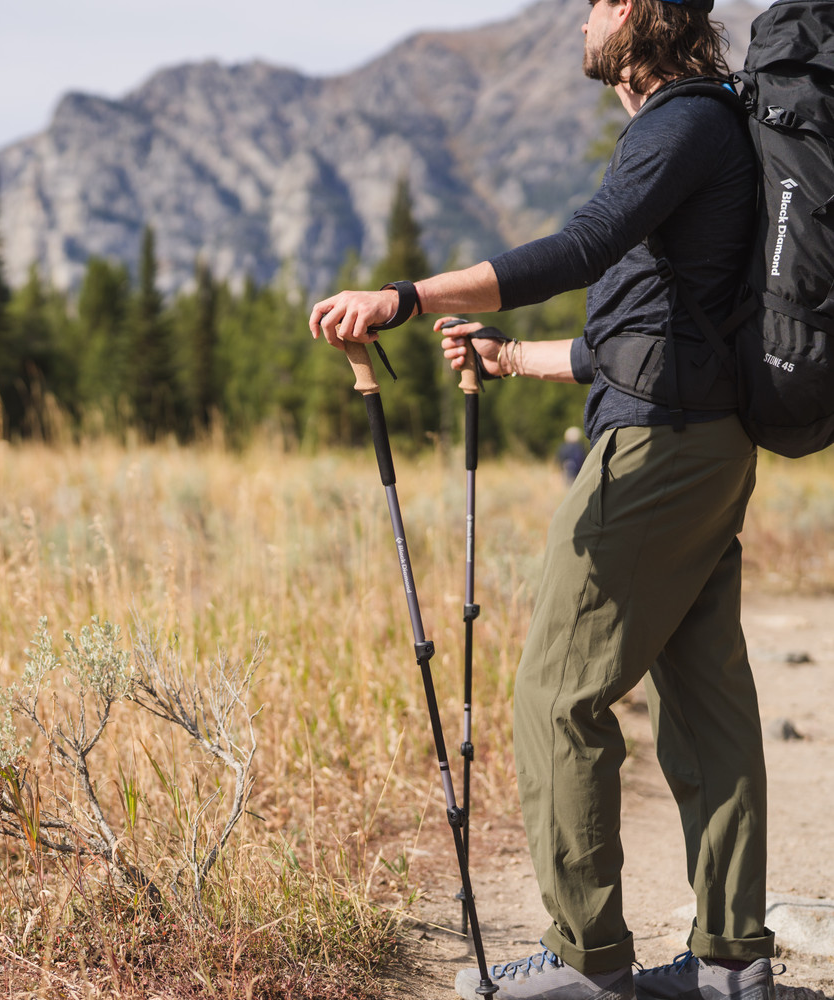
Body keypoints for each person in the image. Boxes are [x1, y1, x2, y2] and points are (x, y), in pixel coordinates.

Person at [308, 1, 774, 998]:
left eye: (599, 3)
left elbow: (582, 247)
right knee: (706, 701)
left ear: (646, 13)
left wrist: (405, 297)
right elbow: (646, 334)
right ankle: (735, 962)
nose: (580, 21)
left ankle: (586, 962)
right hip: (705, 440)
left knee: (556, 694)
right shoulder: (706, 126)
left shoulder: (683, 123)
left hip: (652, 454)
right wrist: (510, 356)